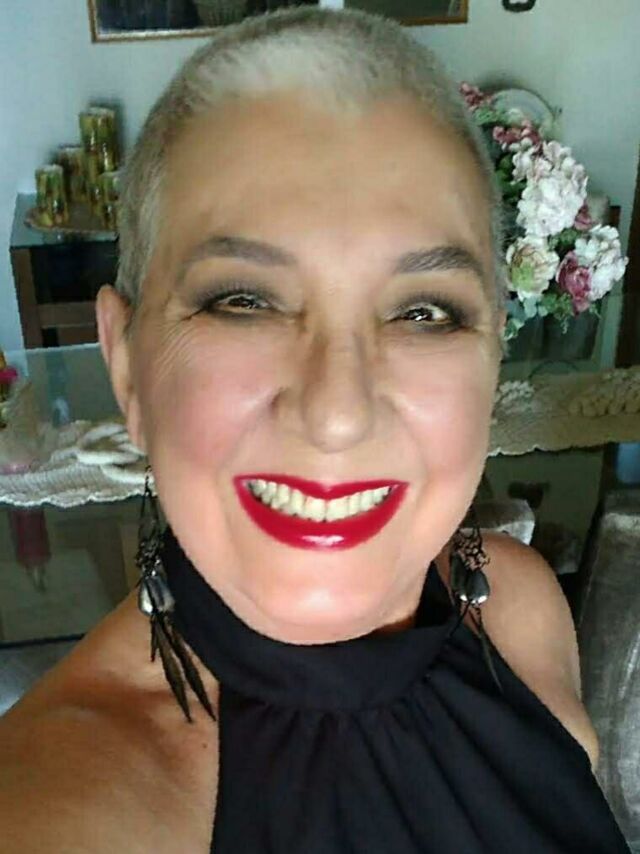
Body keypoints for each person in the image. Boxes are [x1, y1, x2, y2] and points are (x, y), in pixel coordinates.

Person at [0, 6, 631, 852]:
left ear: (494, 360)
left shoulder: (520, 606)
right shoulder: (55, 809)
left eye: (424, 311)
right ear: (127, 367)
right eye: (243, 301)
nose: (337, 414)